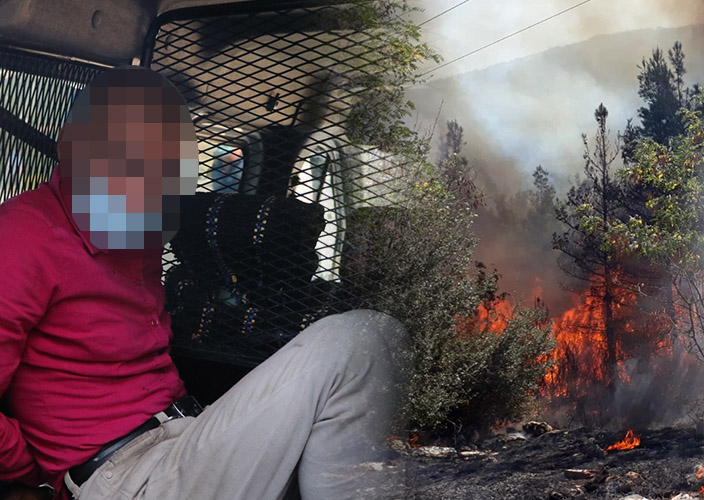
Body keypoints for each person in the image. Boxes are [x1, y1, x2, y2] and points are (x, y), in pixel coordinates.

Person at [0, 66, 408, 500]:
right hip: (125, 476)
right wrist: (33, 476)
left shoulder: (137, 228)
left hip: (186, 437)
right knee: (361, 338)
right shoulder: (23, 237)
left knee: (380, 345)